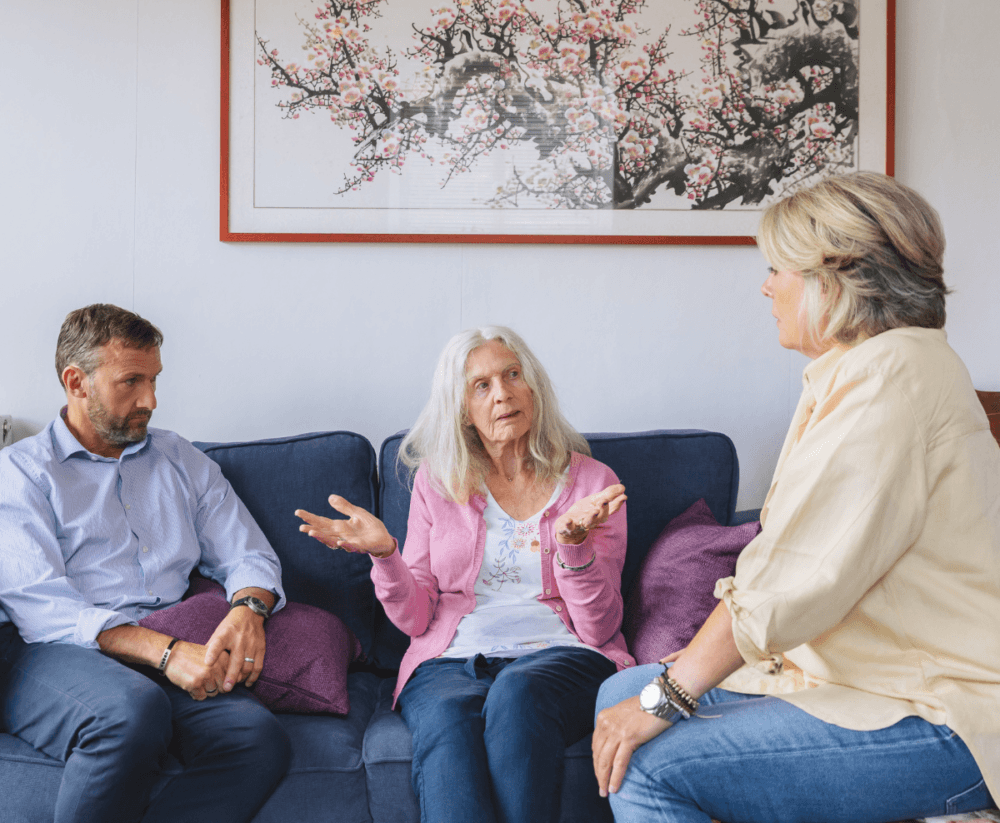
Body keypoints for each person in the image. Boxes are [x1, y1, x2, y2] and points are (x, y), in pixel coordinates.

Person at [592, 171, 1000, 823]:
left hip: (942, 714)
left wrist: (677, 690)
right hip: (859, 686)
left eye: (779, 268)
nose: (766, 286)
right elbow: (844, 568)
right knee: (622, 690)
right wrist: (688, 671)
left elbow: (797, 575)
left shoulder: (892, 378)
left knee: (648, 758)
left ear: (832, 281)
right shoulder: (862, 371)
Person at [297, 325, 632, 823]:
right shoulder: (437, 483)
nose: (503, 394)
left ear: (533, 386)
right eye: (482, 385)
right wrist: (386, 555)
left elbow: (599, 627)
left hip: (564, 654)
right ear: (462, 409)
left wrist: (572, 545)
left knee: (519, 694)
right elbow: (415, 620)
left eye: (513, 375)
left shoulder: (592, 483)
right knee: (448, 723)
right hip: (449, 660)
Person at [0, 304, 291, 823]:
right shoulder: (20, 474)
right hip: (54, 651)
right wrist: (167, 652)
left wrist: (249, 609)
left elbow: (248, 553)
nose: (150, 400)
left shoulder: (180, 458)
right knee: (130, 712)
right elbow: (41, 606)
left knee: (257, 738)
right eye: (131, 381)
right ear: (76, 382)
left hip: (166, 640)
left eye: (154, 379)